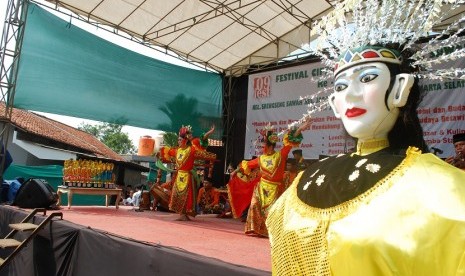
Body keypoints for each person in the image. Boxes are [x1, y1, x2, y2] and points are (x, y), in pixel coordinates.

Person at [265, 1, 465, 275]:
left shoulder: (444, 190)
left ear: (400, 88)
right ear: (334, 103)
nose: (351, 94)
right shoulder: (306, 180)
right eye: (341, 86)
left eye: (368, 78)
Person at [231, 119, 311, 237]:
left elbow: (289, 144)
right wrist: (235, 171)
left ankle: (269, 231)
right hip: (261, 187)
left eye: (264, 144)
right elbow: (247, 165)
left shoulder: (280, 155)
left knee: (272, 211)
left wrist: (299, 129)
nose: (263, 146)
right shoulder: (261, 158)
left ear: (269, 145)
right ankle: (255, 228)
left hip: (275, 188)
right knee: (254, 206)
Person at [158, 125, 215, 221]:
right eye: (178, 140)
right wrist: (160, 154)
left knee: (187, 196)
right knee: (177, 195)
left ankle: (185, 214)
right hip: (179, 175)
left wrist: (209, 133)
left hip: (187, 176)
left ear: (185, 140)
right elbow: (167, 152)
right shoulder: (177, 150)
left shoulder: (192, 149)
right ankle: (182, 214)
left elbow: (201, 144)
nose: (178, 141)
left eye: (180, 140)